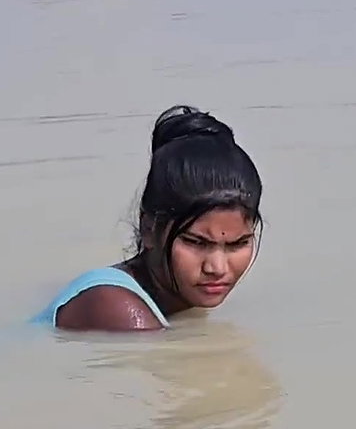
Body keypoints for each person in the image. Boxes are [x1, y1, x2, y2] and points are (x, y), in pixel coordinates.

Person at [30, 105, 264, 331]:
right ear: (149, 229)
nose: (217, 267)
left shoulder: (176, 297)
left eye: (237, 244)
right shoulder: (115, 306)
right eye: (196, 242)